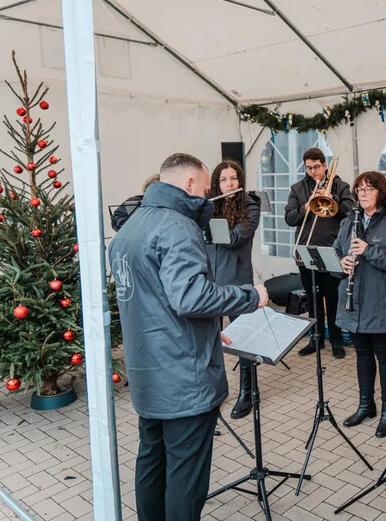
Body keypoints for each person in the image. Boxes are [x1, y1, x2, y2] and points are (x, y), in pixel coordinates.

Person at [109, 153, 269, 521]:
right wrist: (252, 296)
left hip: (147, 370)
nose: (210, 195)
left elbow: (154, 299)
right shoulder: (177, 227)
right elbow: (191, 297)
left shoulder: (130, 227)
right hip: (183, 374)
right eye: (208, 187)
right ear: (191, 185)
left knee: (152, 459)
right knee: (186, 474)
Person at [334, 171, 386, 438]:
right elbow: (337, 249)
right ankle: (366, 405)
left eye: (369, 188)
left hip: (381, 303)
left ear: (382, 191)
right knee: (362, 355)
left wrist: (369, 250)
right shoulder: (349, 222)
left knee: (385, 357)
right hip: (354, 302)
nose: (362, 193)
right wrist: (341, 263)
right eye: (359, 189)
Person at [204, 160, 262, 420]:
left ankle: (247, 393)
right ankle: (216, 390)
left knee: (243, 340)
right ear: (217, 183)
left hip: (238, 282)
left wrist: (212, 227)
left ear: (240, 182)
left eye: (233, 179)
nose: (229, 184)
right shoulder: (209, 206)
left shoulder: (250, 205)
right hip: (210, 282)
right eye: (224, 179)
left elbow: (236, 238)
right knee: (210, 338)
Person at [285, 148, 354, 358]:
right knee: (313, 298)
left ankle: (336, 340)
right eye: (308, 168)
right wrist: (306, 206)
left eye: (316, 167)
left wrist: (330, 196)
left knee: (333, 298)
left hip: (332, 249)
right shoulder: (298, 189)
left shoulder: (341, 186)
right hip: (306, 250)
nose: (313, 172)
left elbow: (350, 211)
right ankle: (316, 339)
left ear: (325, 165)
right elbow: (289, 218)